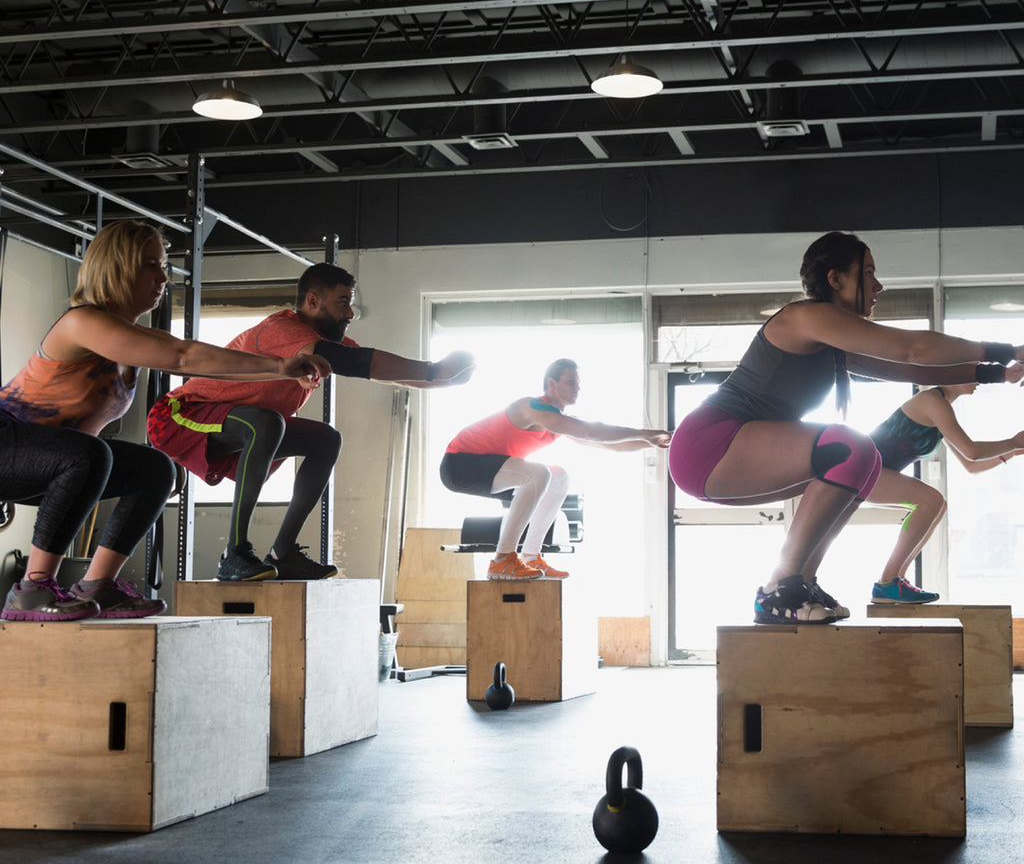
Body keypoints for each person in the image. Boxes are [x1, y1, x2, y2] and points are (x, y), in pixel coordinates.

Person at [668, 230, 1024, 625]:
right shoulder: (807, 317)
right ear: (835, 279)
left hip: (727, 453)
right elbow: (914, 349)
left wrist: (1001, 373)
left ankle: (800, 582)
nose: (878, 285)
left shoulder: (833, 342)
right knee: (849, 446)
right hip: (709, 444)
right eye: (868, 273)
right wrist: (1008, 351)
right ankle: (777, 589)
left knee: (866, 463)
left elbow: (913, 369)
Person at [0, 219, 331, 623]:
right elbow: (183, 357)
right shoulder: (82, 322)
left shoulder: (130, 339)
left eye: (164, 266)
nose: (163, 278)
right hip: (9, 443)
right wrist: (279, 366)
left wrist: (280, 370)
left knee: (156, 469)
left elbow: (191, 359)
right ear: (116, 267)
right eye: (150, 265)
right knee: (90, 454)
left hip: (50, 461)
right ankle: (33, 588)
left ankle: (98, 584)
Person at [148, 262, 475, 582]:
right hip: (178, 416)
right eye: (343, 302)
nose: (350, 313)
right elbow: (350, 361)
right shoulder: (282, 329)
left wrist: (443, 380)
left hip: (240, 423)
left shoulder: (322, 341)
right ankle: (234, 553)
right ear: (313, 301)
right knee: (268, 423)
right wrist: (434, 369)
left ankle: (283, 554)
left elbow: (378, 371)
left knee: (325, 440)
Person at [439, 358, 672, 581]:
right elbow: (593, 431)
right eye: (570, 382)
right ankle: (502, 559)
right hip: (460, 464)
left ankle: (531, 557)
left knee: (559, 477)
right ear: (551, 383)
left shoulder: (556, 421)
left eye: (578, 383)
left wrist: (651, 442)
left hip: (488, 466)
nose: (577, 388)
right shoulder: (532, 409)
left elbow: (608, 444)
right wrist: (648, 433)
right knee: (539, 474)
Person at [864, 381, 1024, 605]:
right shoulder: (931, 401)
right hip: (862, 469)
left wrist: (1013, 452)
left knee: (938, 505)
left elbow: (971, 466)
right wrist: (1014, 441)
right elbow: (972, 452)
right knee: (931, 500)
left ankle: (893, 582)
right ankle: (887, 582)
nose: (979, 380)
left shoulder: (943, 407)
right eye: (974, 371)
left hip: (875, 472)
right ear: (953, 374)